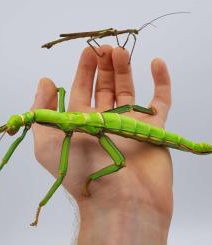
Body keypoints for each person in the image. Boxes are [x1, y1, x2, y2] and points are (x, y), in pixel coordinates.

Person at [30, 45, 173, 245]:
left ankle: (41, 205)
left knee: (117, 161)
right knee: (119, 160)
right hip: (110, 123)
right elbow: (60, 90)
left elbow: (63, 172)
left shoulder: (66, 133)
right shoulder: (64, 126)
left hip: (111, 126)